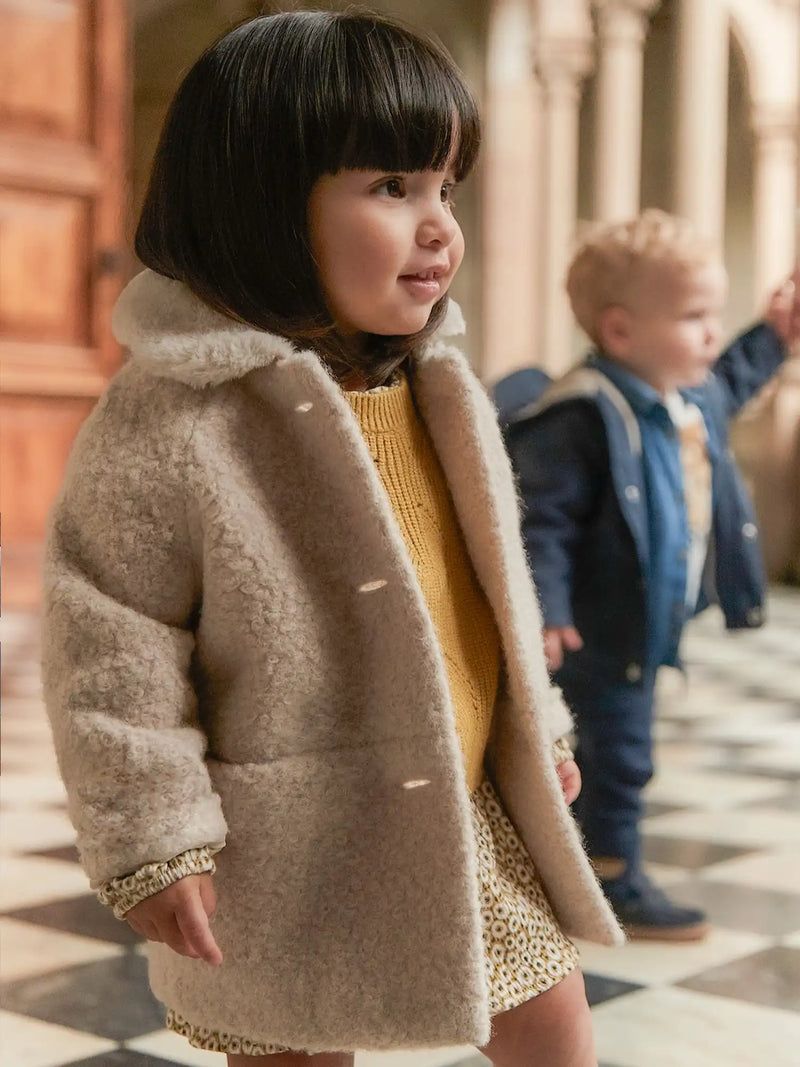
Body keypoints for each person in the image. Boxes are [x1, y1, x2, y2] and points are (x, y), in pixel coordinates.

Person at [41, 11, 623, 1067]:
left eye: (446, 187)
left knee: (549, 1021)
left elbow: (480, 586)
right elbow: (108, 637)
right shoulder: (178, 415)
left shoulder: (437, 383)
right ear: (260, 201)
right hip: (283, 835)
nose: (439, 225)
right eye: (391, 187)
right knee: (293, 1044)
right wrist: (153, 838)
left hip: (460, 802)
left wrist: (535, 728)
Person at [505, 209, 800, 942]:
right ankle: (611, 877)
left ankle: (571, 866)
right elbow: (541, 519)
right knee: (617, 757)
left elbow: (732, 374)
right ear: (621, 332)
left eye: (715, 315)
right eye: (695, 316)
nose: (710, 332)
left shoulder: (685, 399)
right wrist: (546, 607)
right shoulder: (580, 415)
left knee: (600, 754)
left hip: (644, 624)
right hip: (596, 634)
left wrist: (776, 334)